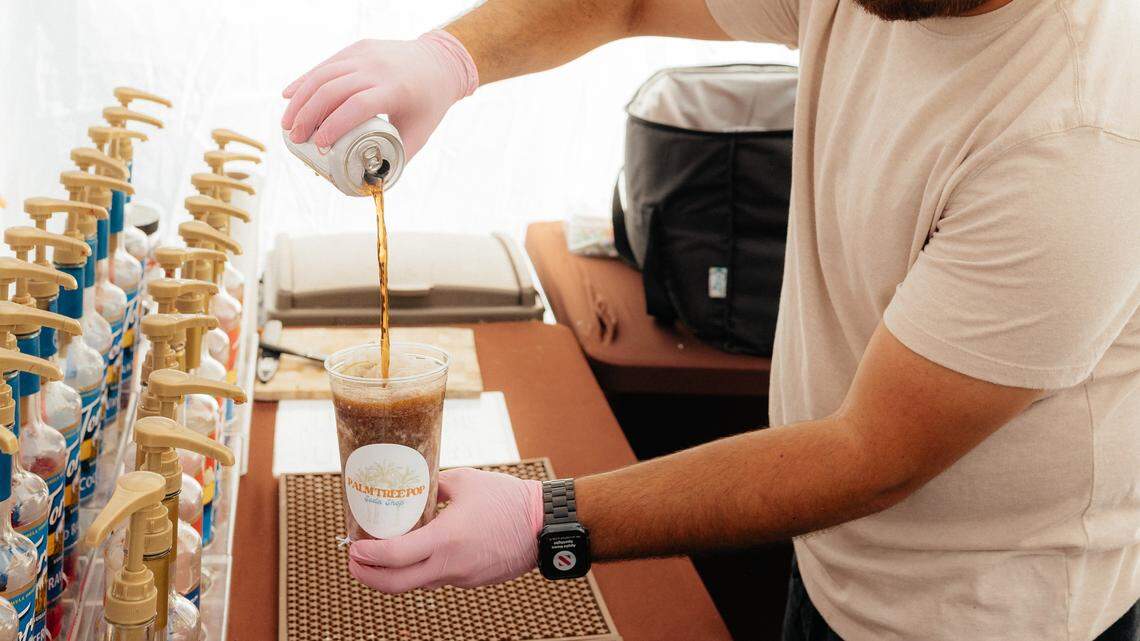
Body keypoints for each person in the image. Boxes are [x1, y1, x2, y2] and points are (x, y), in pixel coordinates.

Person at [281, 0, 1140, 639]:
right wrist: (448, 58)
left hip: (988, 617)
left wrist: (547, 522)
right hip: (834, 567)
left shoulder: (1080, 138)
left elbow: (870, 455)